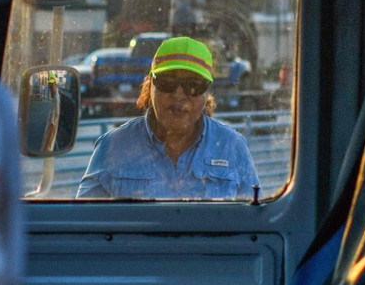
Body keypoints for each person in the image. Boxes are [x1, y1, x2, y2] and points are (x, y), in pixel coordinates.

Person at [77, 36, 259, 200]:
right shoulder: (112, 146)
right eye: (167, 82)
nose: (179, 95)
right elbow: (84, 222)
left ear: (206, 93)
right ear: (149, 86)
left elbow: (254, 222)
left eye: (194, 85)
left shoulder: (232, 146)